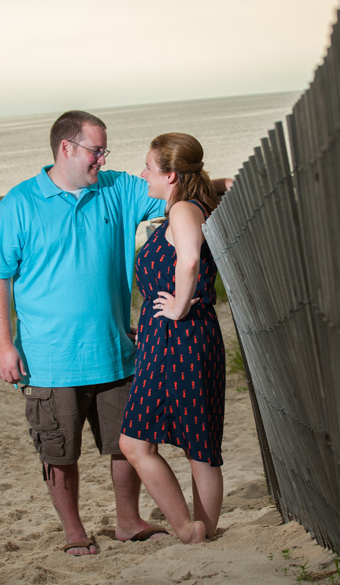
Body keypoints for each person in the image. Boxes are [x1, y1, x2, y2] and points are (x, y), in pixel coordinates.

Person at [0, 110, 170, 556]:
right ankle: (74, 532)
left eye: (105, 151)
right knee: (59, 453)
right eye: (95, 151)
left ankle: (128, 521)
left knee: (129, 444)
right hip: (49, 361)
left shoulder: (116, 189)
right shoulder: (19, 203)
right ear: (67, 148)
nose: (101, 160)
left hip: (115, 352)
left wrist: (223, 186)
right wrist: (4, 346)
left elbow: (174, 192)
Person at [119, 133, 226, 545]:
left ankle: (188, 529)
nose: (142, 173)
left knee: (137, 443)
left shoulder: (182, 209)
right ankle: (202, 531)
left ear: (171, 176)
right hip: (177, 336)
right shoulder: (195, 204)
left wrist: (179, 306)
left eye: (148, 166)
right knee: (197, 443)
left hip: (179, 337)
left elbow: (191, 259)